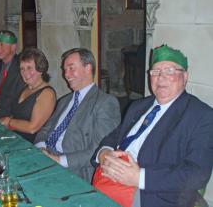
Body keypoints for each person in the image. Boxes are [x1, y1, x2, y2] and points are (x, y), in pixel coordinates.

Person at [92, 45, 213, 207]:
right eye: (155, 71)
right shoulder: (138, 106)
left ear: (185, 76)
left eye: (169, 71)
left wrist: (138, 177)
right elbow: (115, 136)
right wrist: (104, 154)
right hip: (105, 180)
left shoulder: (201, 115)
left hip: (150, 196)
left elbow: (197, 174)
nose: (160, 78)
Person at [34, 48, 121, 182]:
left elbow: (100, 149)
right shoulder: (64, 100)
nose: (66, 75)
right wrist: (40, 148)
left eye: (71, 68)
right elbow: (45, 129)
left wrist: (59, 160)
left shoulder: (105, 102)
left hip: (73, 169)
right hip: (45, 156)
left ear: (88, 68)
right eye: (64, 70)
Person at [0, 48, 56, 143]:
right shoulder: (25, 87)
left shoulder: (47, 94)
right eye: (22, 69)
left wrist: (9, 121)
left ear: (40, 69)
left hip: (31, 145)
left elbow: (32, 128)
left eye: (29, 68)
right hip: (13, 138)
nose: (25, 73)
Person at [0, 30, 25, 120]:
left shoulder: (21, 68)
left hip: (8, 117)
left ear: (13, 47)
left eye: (2, 45)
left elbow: (17, 100)